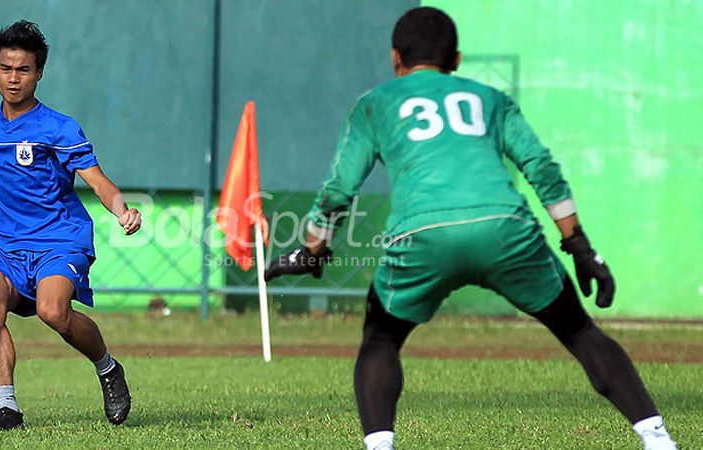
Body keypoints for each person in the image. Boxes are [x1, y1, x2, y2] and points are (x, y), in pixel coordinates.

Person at [264, 7, 677, 450]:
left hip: (420, 236)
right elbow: (541, 167)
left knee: (381, 337)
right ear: (456, 59)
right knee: (579, 331)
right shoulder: (491, 99)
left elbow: (339, 189)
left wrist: (314, 248)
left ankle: (380, 446)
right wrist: (579, 245)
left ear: (395, 58)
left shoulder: (374, 105)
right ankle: (657, 439)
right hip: (504, 228)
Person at [0, 20, 139, 430]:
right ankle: (7, 409)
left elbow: (97, 179)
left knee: (53, 312)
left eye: (23, 70)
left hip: (60, 239)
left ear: (39, 73)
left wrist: (122, 210)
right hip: (4, 244)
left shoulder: (59, 128)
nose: (13, 78)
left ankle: (108, 368)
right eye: (6, 68)